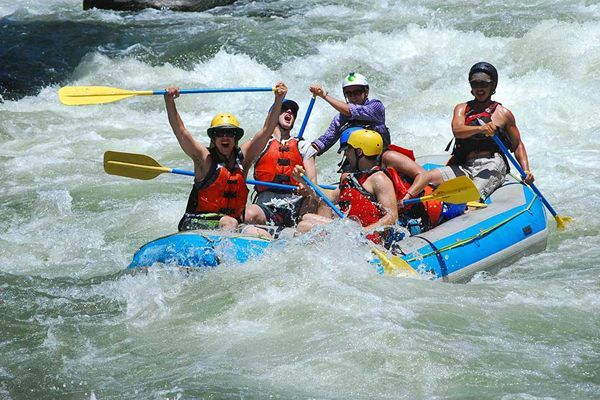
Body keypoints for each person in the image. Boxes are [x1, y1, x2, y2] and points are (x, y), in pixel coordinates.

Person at [164, 81, 288, 232]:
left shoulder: (243, 159)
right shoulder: (204, 158)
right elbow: (180, 131)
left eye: (230, 133)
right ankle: (223, 256)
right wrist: (169, 102)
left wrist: (278, 100)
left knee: (256, 231)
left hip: (232, 224)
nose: (225, 137)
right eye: (220, 133)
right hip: (196, 222)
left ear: (235, 138)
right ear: (213, 139)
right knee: (229, 222)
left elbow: (267, 130)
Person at [306, 71, 432, 206]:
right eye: (349, 93)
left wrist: (324, 96)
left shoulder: (376, 107)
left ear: (366, 92)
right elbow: (326, 140)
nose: (353, 96)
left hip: (379, 159)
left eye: (357, 92)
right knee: (344, 177)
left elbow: (352, 111)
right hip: (355, 164)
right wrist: (305, 149)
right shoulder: (340, 118)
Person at [430, 62, 534, 200]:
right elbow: (457, 131)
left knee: (471, 196)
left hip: (492, 162)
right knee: (431, 183)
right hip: (465, 162)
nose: (479, 88)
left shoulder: (503, 114)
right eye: (475, 84)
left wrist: (525, 170)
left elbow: (517, 145)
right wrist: (481, 128)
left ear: (493, 86)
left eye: (484, 84)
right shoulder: (462, 109)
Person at [295, 129, 398, 244]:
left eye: (349, 149)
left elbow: (392, 216)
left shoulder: (379, 179)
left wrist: (364, 232)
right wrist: (304, 180)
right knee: (307, 217)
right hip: (352, 230)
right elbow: (328, 197)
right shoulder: (354, 177)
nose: (346, 153)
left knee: (303, 226)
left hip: (367, 239)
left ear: (359, 152)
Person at [243, 99, 318, 230]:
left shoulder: (303, 146)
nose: (289, 111)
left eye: (293, 111)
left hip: (297, 205)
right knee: (248, 214)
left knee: (317, 200)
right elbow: (236, 162)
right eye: (283, 109)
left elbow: (314, 189)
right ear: (272, 115)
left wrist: (305, 184)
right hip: (267, 206)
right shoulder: (260, 144)